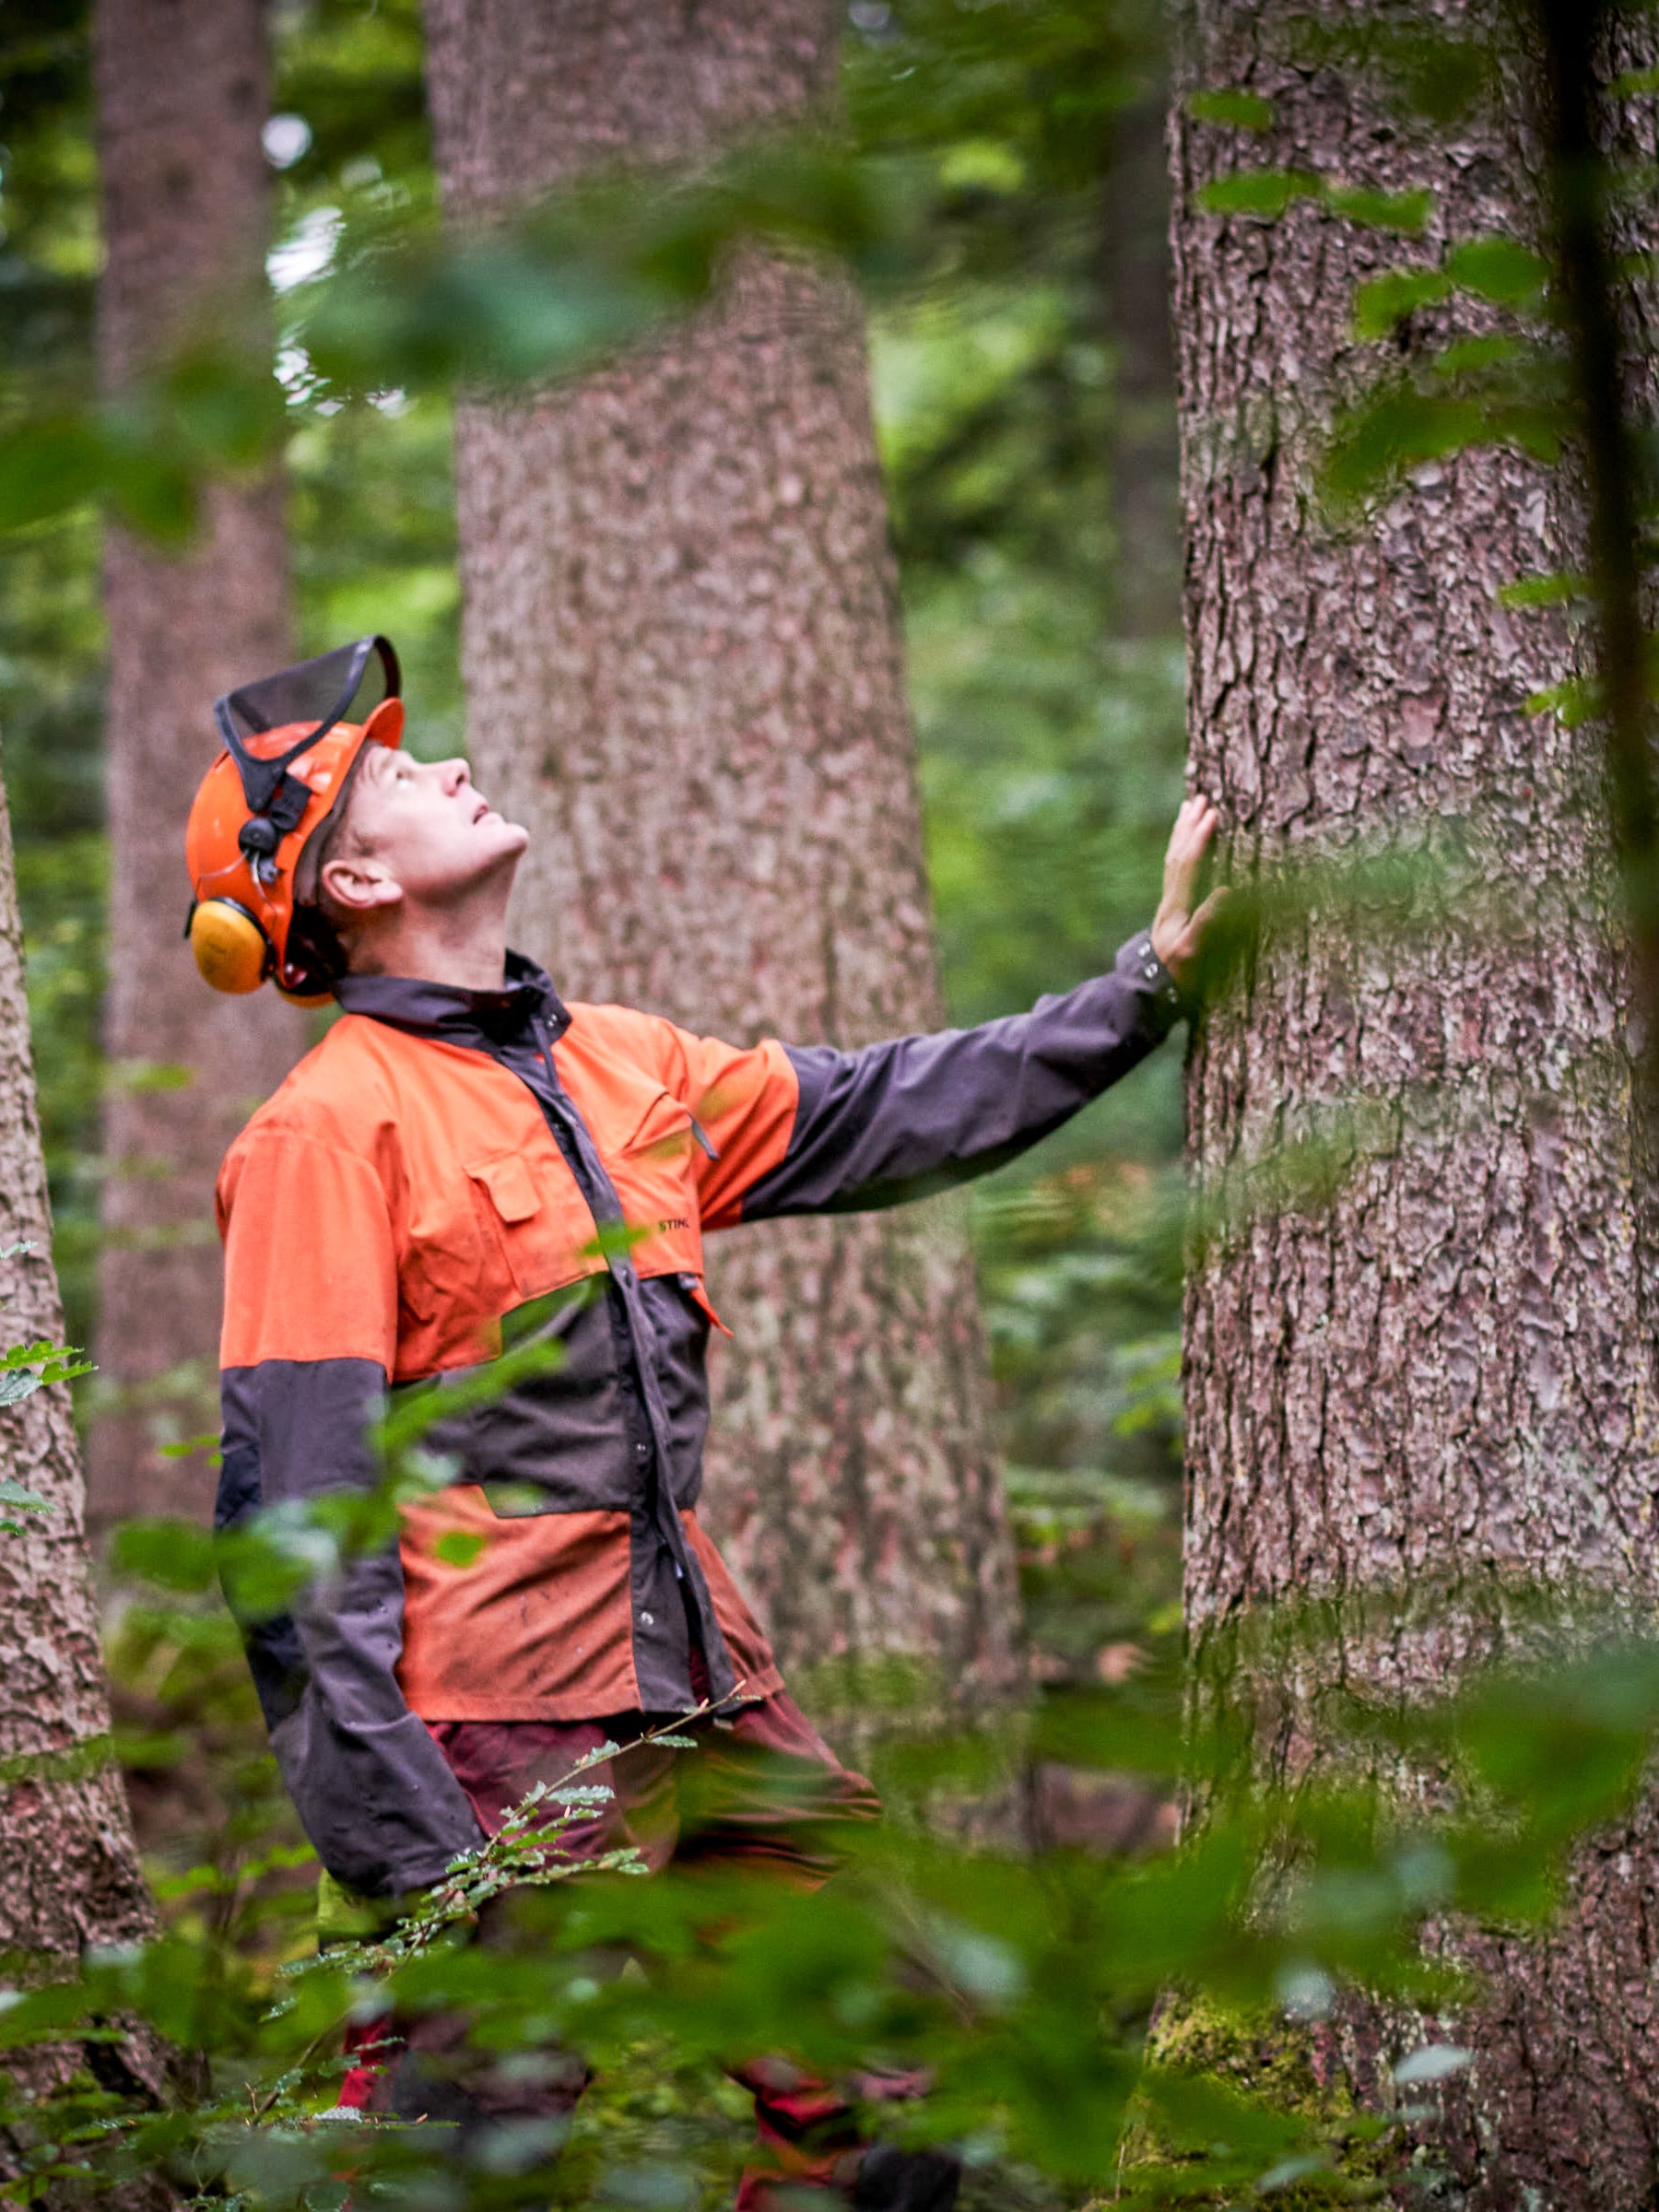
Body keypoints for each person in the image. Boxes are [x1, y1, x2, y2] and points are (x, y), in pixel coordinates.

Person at [186, 638, 1223, 2206]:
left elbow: (886, 1110)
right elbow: (291, 1519)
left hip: (705, 1698)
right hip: (491, 1746)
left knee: (915, 2103)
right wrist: (406, 1845)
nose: (451, 766)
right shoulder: (326, 1133)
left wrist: (1146, 993)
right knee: (461, 2158)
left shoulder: (628, 1067)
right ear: (347, 884)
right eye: (404, 777)